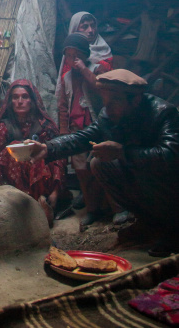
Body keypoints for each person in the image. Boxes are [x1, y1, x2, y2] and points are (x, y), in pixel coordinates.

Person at [28, 69, 179, 257]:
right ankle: (147, 223)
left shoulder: (163, 113)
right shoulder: (108, 115)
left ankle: (173, 229)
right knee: (100, 164)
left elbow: (170, 156)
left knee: (147, 171)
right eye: (105, 101)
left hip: (168, 181)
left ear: (136, 100)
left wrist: (123, 153)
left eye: (115, 101)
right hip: (138, 173)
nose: (107, 108)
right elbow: (83, 138)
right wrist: (48, 148)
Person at [56, 33, 127, 227]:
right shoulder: (66, 77)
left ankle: (118, 208)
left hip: (97, 126)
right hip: (76, 129)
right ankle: (92, 209)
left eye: (76, 55)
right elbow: (63, 106)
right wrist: (64, 132)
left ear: (85, 54)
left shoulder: (99, 68)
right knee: (81, 172)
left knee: (102, 165)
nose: (72, 60)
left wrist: (84, 70)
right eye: (69, 56)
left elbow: (101, 89)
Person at [0, 79, 66, 226]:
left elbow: (60, 157)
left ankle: (43, 203)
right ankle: (25, 203)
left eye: (25, 97)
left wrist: (55, 192)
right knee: (12, 148)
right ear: (10, 102)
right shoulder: (5, 126)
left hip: (46, 186)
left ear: (32, 100)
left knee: (45, 150)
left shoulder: (45, 125)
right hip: (16, 190)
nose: (20, 101)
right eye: (15, 97)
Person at [57, 12, 113, 83]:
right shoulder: (70, 51)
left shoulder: (104, 49)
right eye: (84, 27)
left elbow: (106, 83)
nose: (90, 30)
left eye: (93, 26)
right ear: (75, 29)